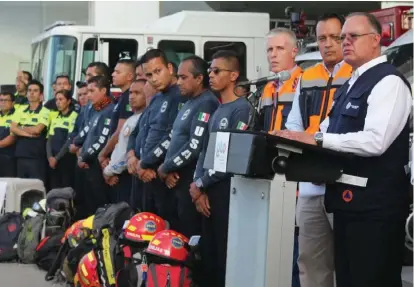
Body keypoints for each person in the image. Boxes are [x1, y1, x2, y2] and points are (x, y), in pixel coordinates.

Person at [275, 12, 412, 287]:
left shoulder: (389, 81)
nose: (345, 42)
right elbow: (325, 130)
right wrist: (294, 140)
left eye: (352, 36)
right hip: (347, 204)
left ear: (375, 40)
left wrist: (318, 141)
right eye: (344, 37)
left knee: (372, 278)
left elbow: (376, 141)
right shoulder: (352, 83)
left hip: (376, 208)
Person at [285, 13, 352, 287]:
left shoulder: (358, 74)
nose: (328, 44)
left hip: (345, 183)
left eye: (335, 37)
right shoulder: (307, 76)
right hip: (311, 188)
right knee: (310, 264)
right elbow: (293, 126)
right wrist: (310, 166)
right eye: (322, 38)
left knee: (351, 262)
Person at [191, 50, 253, 287]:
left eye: (217, 71)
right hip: (206, 189)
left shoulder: (242, 108)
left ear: (234, 75)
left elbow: (232, 157)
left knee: (224, 252)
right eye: (209, 71)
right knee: (209, 253)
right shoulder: (217, 109)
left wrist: (201, 184)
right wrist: (198, 184)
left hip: (225, 190)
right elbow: (205, 151)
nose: (211, 75)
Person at [157, 55, 219, 238]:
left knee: (187, 237)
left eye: (184, 78)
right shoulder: (189, 102)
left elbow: (194, 146)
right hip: (175, 178)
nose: (178, 82)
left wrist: (166, 166)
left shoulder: (206, 103)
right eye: (178, 77)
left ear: (199, 79)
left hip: (189, 180)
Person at [138, 49, 186, 225]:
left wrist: (147, 163)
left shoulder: (180, 95)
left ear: (170, 68)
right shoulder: (157, 98)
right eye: (149, 75)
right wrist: (138, 159)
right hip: (147, 173)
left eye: (158, 71)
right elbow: (144, 131)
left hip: (166, 175)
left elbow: (174, 136)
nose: (154, 79)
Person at [103, 79, 147, 204]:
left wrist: (109, 170)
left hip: (127, 175)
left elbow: (124, 153)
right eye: (131, 93)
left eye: (137, 93)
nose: (131, 97)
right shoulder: (132, 118)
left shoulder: (140, 119)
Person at [76, 75, 115, 217]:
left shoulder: (109, 110)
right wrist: (79, 149)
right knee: (89, 206)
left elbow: (102, 141)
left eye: (92, 91)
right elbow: (86, 134)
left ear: (103, 90)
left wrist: (84, 157)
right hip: (87, 164)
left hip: (96, 166)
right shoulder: (97, 110)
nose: (89, 96)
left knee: (99, 206)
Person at [98, 59, 136, 184]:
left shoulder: (128, 99)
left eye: (117, 72)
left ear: (130, 76)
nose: (113, 74)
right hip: (114, 159)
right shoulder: (122, 97)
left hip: (122, 163)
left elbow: (120, 132)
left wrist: (102, 154)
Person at [258, 28, 303, 132]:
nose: (273, 55)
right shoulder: (267, 87)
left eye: (280, 48)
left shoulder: (305, 82)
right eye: (270, 49)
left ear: (294, 52)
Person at [10, 80, 50, 185]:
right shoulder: (20, 109)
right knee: (20, 190)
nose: (31, 93)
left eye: (35, 91)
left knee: (36, 190)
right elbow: (13, 128)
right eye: (29, 90)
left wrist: (20, 128)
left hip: (36, 157)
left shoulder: (45, 111)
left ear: (41, 95)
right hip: (21, 155)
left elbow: (37, 129)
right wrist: (28, 132)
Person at [127, 80, 157, 211]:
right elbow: (133, 135)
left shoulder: (159, 111)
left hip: (150, 170)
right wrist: (131, 156)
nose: (132, 96)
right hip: (137, 169)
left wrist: (144, 164)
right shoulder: (145, 112)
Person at [47, 89, 78, 189]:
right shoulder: (55, 116)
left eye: (61, 99)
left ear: (68, 101)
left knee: (66, 188)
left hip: (65, 159)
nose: (58, 102)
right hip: (52, 160)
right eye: (56, 100)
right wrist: (50, 157)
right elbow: (49, 139)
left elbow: (69, 140)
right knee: (53, 188)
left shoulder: (74, 116)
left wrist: (57, 158)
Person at [0, 92, 18, 177]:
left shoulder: (17, 115)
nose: (3, 102)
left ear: (13, 103)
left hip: (9, 157)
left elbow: (12, 138)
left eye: (6, 100)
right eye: (1, 100)